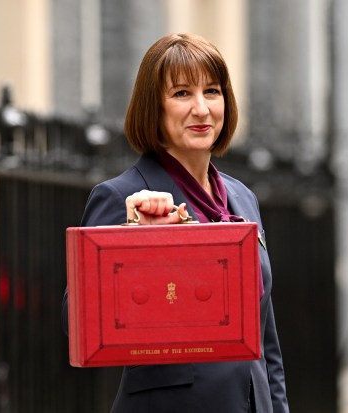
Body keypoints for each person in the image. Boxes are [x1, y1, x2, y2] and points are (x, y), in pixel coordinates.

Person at [62, 32, 289, 413]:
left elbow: (267, 341)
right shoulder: (123, 196)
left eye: (212, 91)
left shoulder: (243, 198)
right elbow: (77, 324)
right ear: (155, 107)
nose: (201, 109)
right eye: (182, 93)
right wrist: (135, 240)